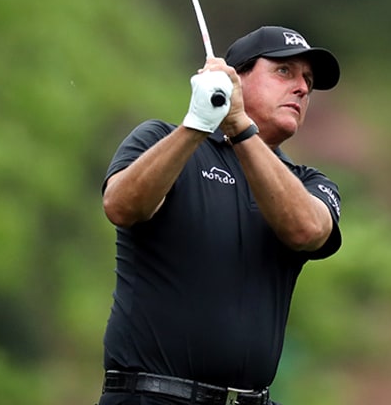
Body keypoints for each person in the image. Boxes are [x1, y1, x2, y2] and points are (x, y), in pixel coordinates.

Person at [96, 26, 343, 405]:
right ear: (236, 79)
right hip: (152, 396)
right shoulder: (161, 141)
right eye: (284, 71)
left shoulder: (306, 183)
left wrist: (241, 128)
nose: (302, 88)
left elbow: (307, 230)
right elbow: (122, 206)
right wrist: (197, 125)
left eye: (307, 80)